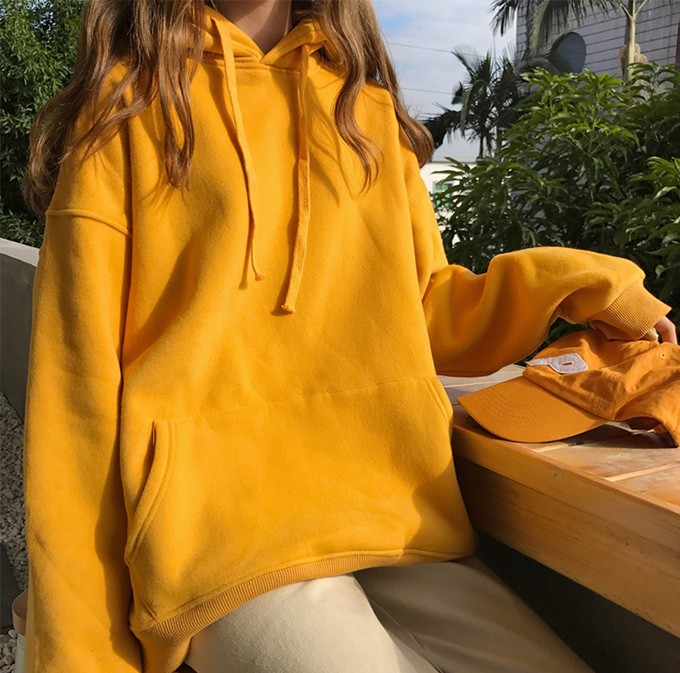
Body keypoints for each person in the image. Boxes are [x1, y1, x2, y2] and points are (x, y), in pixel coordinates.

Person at [21, 1, 676, 672]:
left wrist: (583, 284)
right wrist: (76, 653)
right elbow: (75, 404)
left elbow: (425, 308)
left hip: (398, 520)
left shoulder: (364, 111)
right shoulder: (124, 113)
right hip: (218, 545)